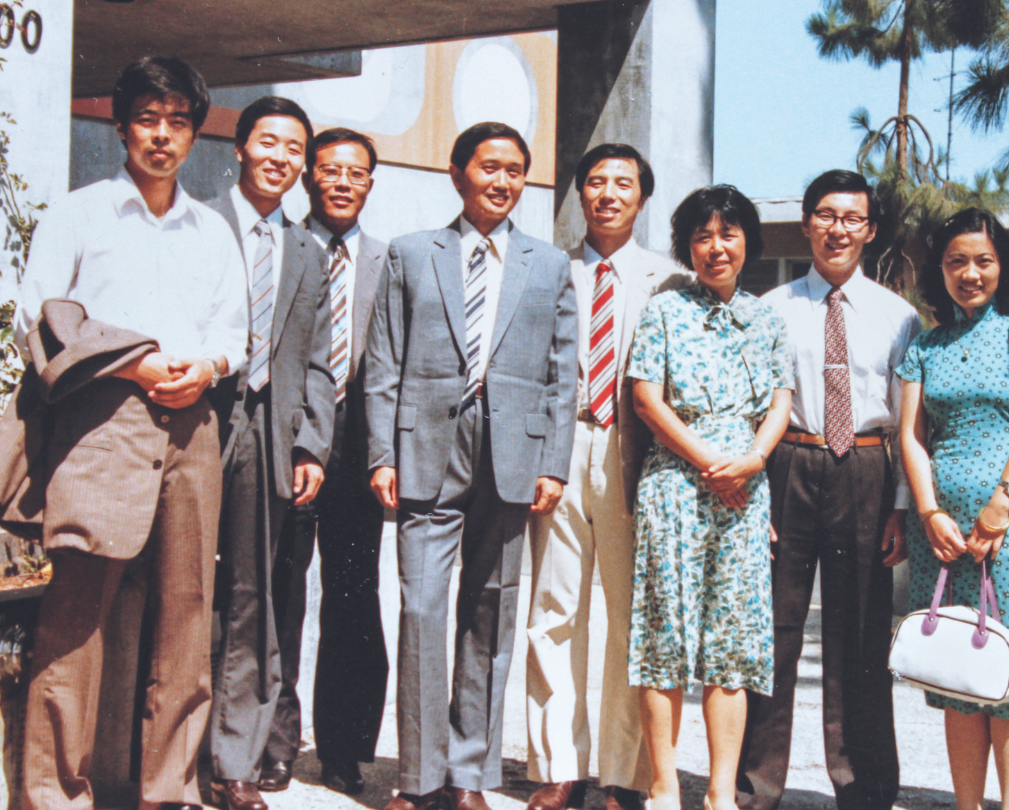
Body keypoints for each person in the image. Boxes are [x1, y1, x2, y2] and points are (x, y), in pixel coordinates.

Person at [13, 56, 247, 810]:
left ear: (194, 133)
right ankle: (55, 795)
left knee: (185, 616)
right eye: (148, 118)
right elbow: (37, 323)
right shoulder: (79, 214)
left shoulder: (211, 229)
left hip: (192, 427)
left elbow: (233, 329)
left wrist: (204, 369)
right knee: (77, 616)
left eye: (178, 122)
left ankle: (168, 791)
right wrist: (137, 367)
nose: (163, 135)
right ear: (119, 125)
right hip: (101, 423)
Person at [364, 121, 578, 810]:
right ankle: (417, 778)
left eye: (515, 170)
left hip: (512, 459)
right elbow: (383, 363)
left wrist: (553, 463)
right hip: (425, 452)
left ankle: (471, 777)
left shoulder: (548, 265)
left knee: (491, 613)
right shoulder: (411, 253)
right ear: (458, 175)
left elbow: (560, 377)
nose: (502, 181)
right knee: (422, 609)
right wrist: (381, 452)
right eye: (489, 167)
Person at [738, 170, 919, 810]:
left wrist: (900, 506)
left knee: (863, 633)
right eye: (825, 215)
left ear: (869, 230)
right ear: (808, 222)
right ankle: (756, 787)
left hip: (867, 470)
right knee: (773, 631)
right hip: (790, 461)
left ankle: (863, 787)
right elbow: (750, 408)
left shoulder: (899, 317)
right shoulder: (771, 308)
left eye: (852, 218)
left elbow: (909, 421)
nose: (837, 229)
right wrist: (755, 497)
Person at [524, 143, 689, 810]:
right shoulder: (546, 271)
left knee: (630, 620)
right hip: (560, 453)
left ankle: (622, 772)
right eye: (596, 182)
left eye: (623, 183)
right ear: (579, 194)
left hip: (633, 455)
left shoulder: (668, 280)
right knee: (553, 611)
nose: (609, 194)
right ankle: (559, 766)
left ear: (643, 197)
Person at [625, 184, 793, 810]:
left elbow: (781, 400)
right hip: (675, 483)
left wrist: (750, 461)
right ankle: (663, 784)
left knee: (733, 644)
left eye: (728, 234)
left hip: (745, 491)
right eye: (702, 236)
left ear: (748, 239)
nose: (716, 247)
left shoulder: (766, 317)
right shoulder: (665, 311)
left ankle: (721, 792)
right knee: (665, 635)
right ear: (686, 248)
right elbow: (646, 398)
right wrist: (707, 462)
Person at [895, 208, 1009, 810]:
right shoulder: (925, 346)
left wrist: (1000, 505)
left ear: (1002, 268)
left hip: (1008, 524)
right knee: (957, 667)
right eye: (956, 261)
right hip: (940, 531)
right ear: (940, 270)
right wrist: (930, 512)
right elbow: (911, 436)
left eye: (983, 261)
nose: (970, 273)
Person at [204, 96, 333, 810]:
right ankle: (164, 753)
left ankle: (235, 764)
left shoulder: (307, 250)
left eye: (293, 148)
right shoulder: (197, 223)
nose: (280, 158)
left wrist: (311, 440)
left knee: (253, 598)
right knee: (179, 590)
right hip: (193, 425)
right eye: (268, 142)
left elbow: (317, 357)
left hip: (273, 434)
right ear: (239, 148)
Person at [257, 127, 391, 796]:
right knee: (281, 591)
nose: (342, 181)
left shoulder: (389, 261)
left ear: (371, 182)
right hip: (285, 442)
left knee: (351, 596)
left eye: (355, 172)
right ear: (310, 176)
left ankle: (343, 748)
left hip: (358, 452)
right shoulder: (284, 247)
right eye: (330, 170)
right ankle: (276, 742)